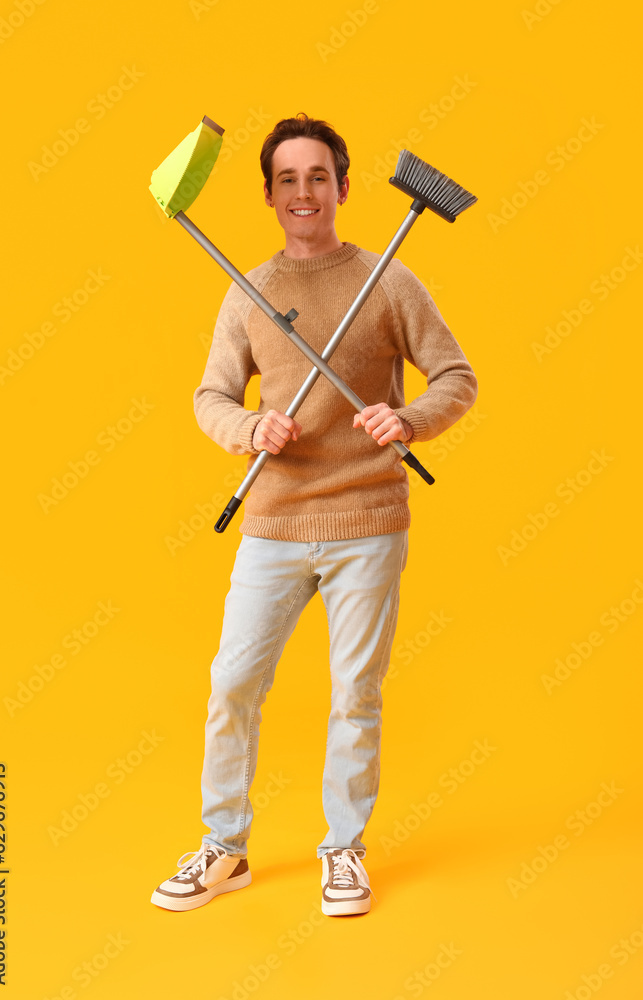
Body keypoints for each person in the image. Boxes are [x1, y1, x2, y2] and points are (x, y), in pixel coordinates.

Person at [151, 113, 478, 917]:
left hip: (368, 516)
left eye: (318, 176)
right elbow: (211, 396)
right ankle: (224, 848)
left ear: (341, 186)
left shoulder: (391, 280)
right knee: (232, 682)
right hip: (272, 520)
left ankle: (343, 850)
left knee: (354, 693)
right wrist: (245, 428)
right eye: (288, 179)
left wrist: (409, 421)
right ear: (269, 195)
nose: (304, 191)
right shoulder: (248, 289)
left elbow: (454, 377)